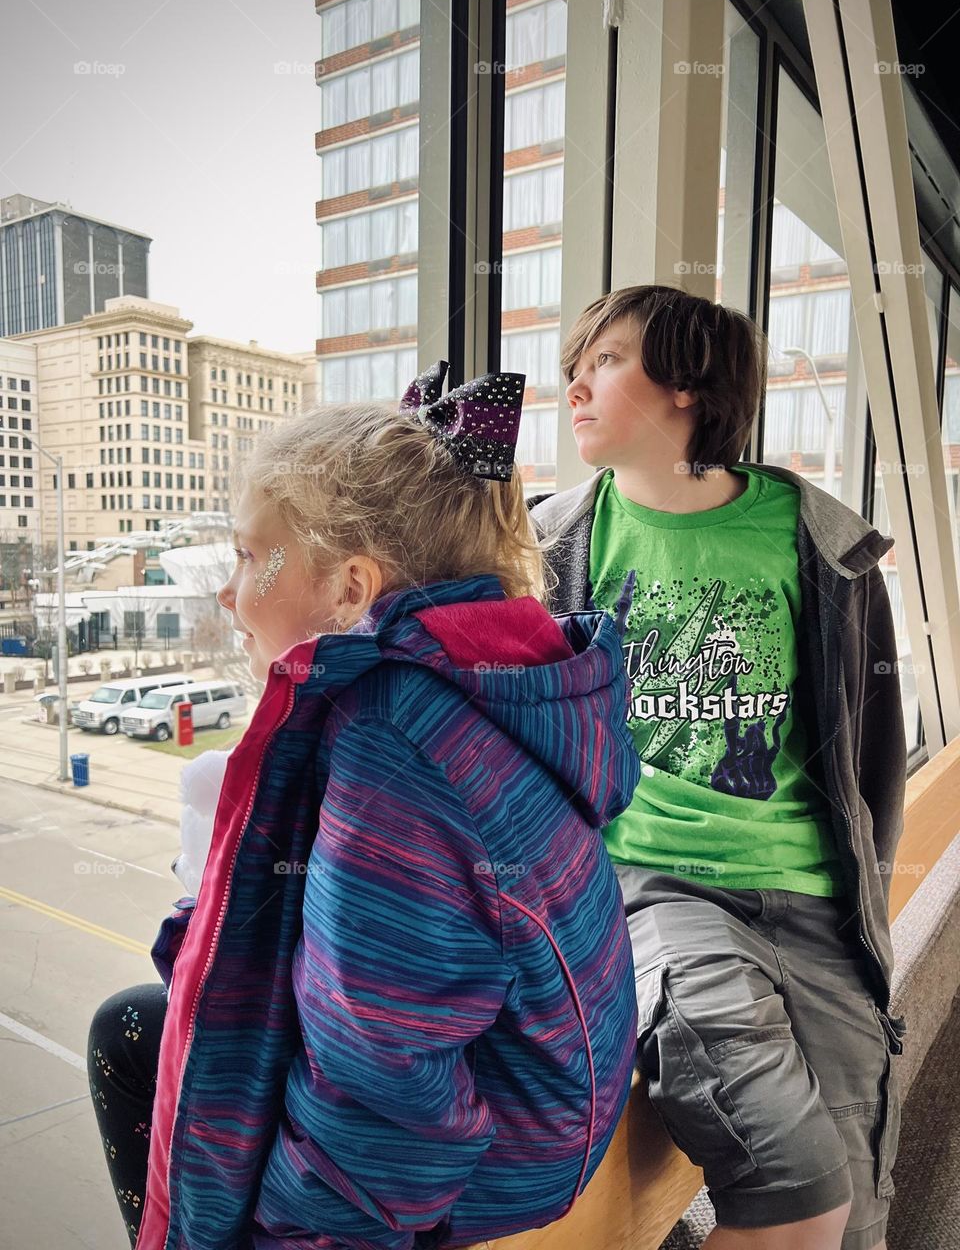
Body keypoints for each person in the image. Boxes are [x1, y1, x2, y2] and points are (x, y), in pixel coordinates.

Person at [86, 360, 641, 1250]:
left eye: (245, 557)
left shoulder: (395, 747)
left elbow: (383, 1087)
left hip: (500, 1160)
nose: (227, 595)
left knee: (130, 1036)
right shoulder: (483, 674)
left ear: (351, 587)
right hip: (551, 1095)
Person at [531, 285, 907, 1250]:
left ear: (691, 386)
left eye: (606, 361)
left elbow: (869, 758)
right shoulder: (551, 546)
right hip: (659, 893)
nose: (573, 384)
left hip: (814, 901)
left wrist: (863, 893)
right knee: (790, 1178)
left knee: (856, 1213)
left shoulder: (821, 544)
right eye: (575, 364)